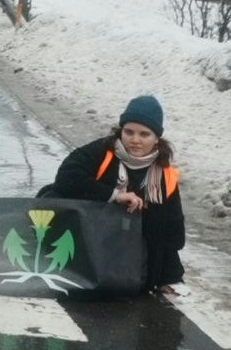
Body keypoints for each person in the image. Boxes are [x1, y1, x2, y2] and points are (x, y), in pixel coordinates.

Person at [38, 94, 188, 291]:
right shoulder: (102, 151)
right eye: (129, 132)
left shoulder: (164, 175)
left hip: (128, 250)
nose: (135, 140)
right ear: (120, 131)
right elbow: (66, 177)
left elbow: (171, 234)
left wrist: (169, 278)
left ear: (157, 138)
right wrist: (114, 196)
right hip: (89, 237)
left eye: (144, 134)